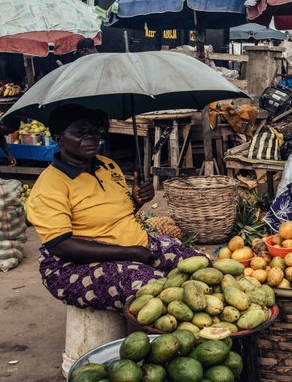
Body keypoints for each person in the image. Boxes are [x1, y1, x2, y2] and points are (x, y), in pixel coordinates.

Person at [25, 104, 202, 311]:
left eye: (94, 131)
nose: (90, 137)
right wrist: (130, 253)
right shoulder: (50, 185)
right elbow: (60, 246)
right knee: (154, 290)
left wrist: (137, 200)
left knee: (198, 265)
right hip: (74, 265)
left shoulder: (107, 165)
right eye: (80, 132)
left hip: (138, 246)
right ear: (59, 139)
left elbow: (112, 214)